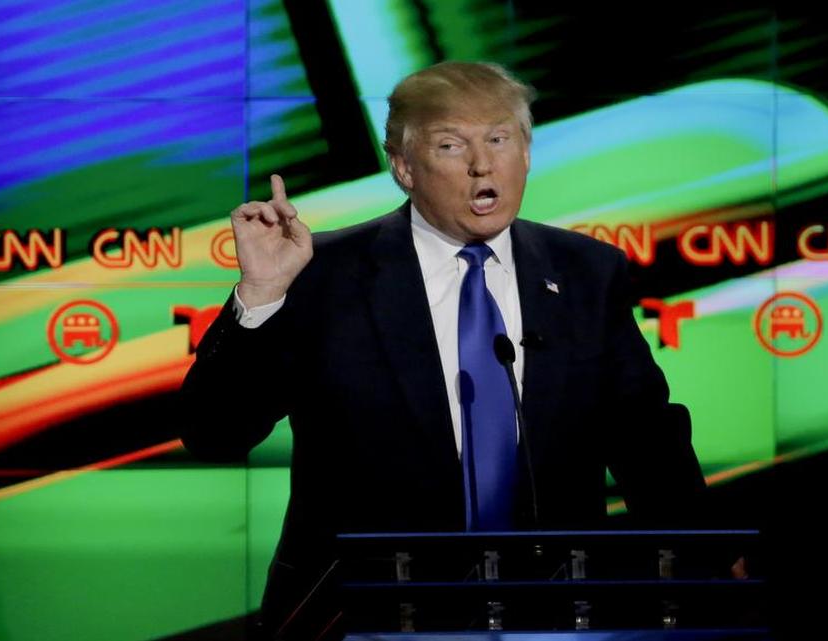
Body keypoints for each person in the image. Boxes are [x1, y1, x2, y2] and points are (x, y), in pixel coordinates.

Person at [179, 61, 705, 640]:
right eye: (453, 145)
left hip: (548, 614)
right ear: (403, 166)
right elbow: (215, 432)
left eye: (500, 139)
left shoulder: (584, 272)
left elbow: (646, 441)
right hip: (363, 615)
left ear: (526, 153)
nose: (484, 164)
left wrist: (705, 559)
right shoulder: (321, 272)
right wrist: (260, 295)